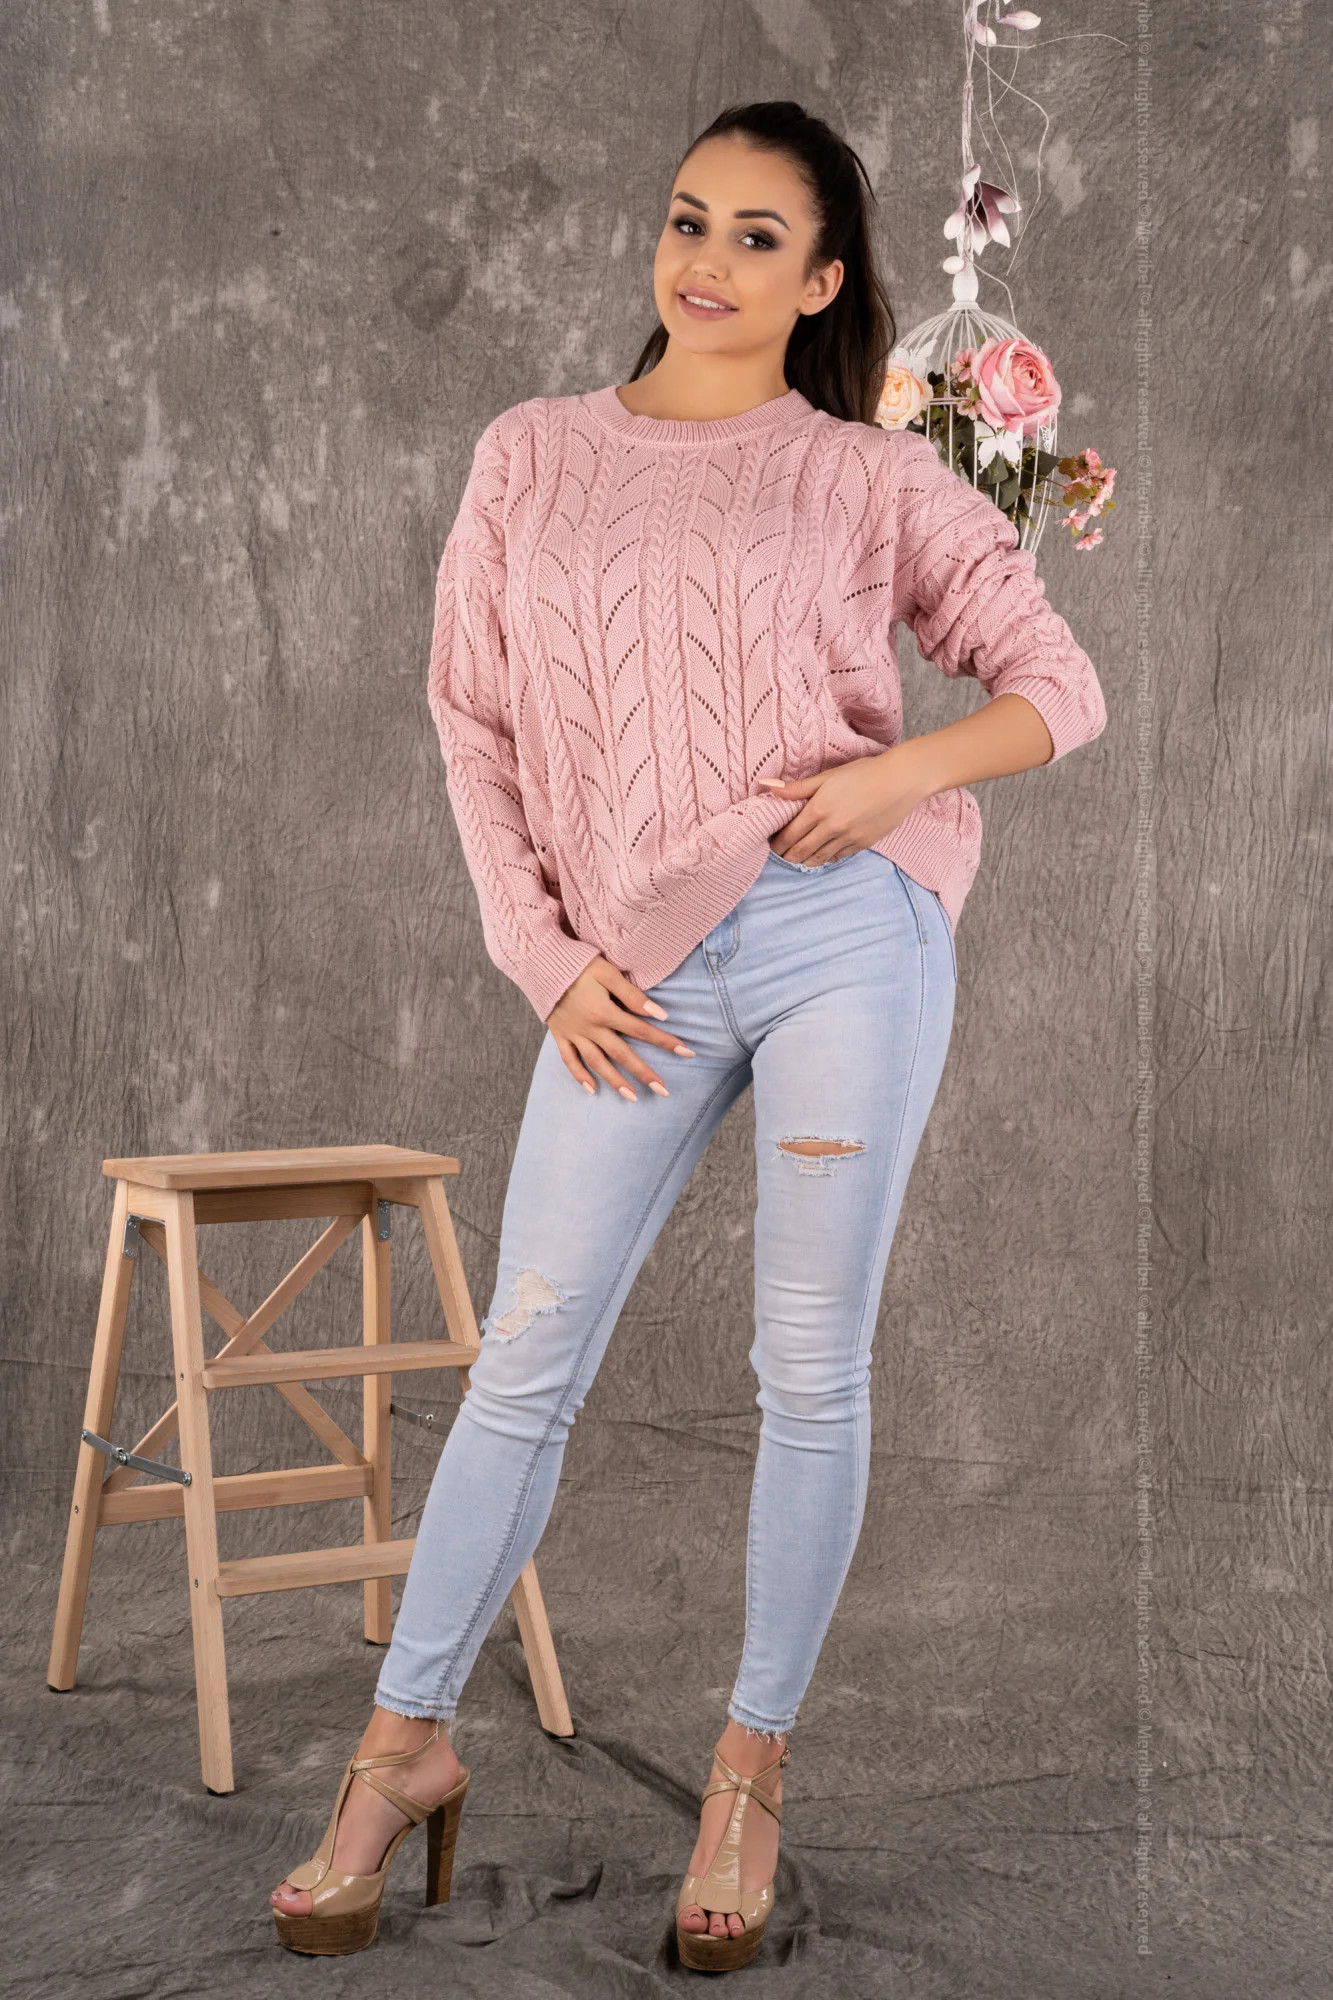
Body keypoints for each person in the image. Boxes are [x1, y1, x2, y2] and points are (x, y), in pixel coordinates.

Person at [269, 98, 1107, 1970]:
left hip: (837, 941)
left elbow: (1059, 689)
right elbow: (472, 724)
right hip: (621, 973)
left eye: (753, 237)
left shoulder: (867, 474)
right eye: (685, 219)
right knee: (524, 1362)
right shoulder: (530, 453)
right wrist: (539, 957)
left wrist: (890, 780)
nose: (704, 261)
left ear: (819, 284)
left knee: (804, 1367)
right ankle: (400, 1754)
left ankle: (747, 1773)